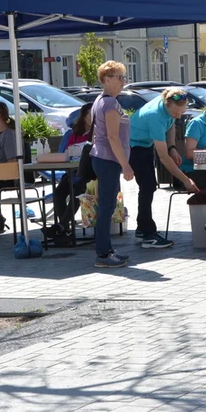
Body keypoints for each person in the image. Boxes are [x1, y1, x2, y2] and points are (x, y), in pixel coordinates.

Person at [129, 88, 201, 249]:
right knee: (147, 186)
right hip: (133, 146)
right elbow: (163, 159)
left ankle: (142, 229)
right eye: (175, 113)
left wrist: (172, 147)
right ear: (166, 105)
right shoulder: (154, 115)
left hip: (145, 144)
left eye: (181, 112)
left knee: (148, 187)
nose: (178, 116)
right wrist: (186, 180)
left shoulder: (167, 106)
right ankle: (148, 235)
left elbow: (171, 125)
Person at [88, 62, 134, 268]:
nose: (123, 81)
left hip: (103, 158)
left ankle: (106, 250)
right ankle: (103, 254)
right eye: (119, 77)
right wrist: (126, 165)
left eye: (124, 77)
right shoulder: (109, 104)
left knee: (107, 206)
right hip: (108, 159)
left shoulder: (101, 101)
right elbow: (113, 137)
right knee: (106, 207)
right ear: (106, 80)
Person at [49, 103, 92, 235]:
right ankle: (65, 227)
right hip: (73, 171)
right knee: (58, 193)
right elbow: (68, 152)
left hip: (91, 172)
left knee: (77, 192)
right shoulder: (75, 133)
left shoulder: (98, 132)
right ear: (84, 117)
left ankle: (62, 226)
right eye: (91, 114)